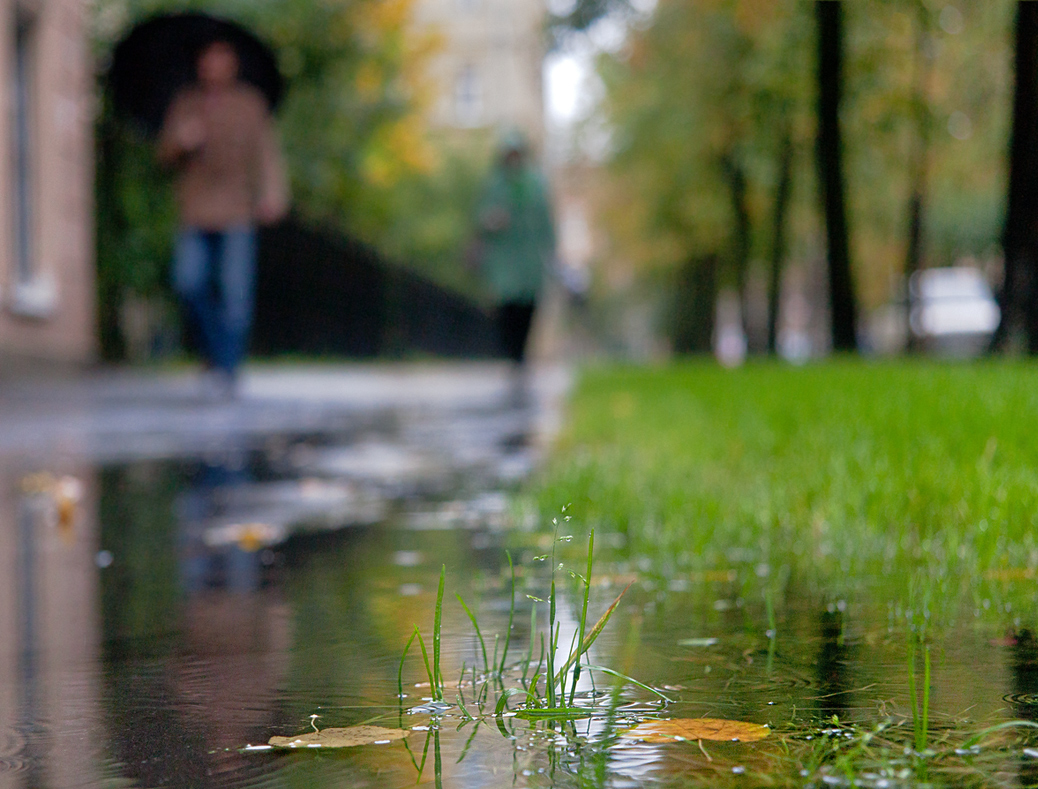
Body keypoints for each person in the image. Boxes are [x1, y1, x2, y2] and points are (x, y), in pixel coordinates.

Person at [158, 39, 288, 398]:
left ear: (233, 63)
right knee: (188, 282)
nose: (214, 64)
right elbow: (163, 155)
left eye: (222, 57)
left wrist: (273, 193)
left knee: (235, 296)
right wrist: (182, 141)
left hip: (236, 209)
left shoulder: (249, 104)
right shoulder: (186, 103)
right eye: (208, 57)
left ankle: (227, 371)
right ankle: (215, 356)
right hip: (195, 209)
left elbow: (267, 155)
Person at [474, 130, 556, 402]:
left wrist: (551, 253)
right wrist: (491, 222)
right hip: (504, 261)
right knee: (506, 310)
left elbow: (547, 224)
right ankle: (512, 359)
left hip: (530, 261)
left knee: (527, 310)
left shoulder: (536, 184)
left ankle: (520, 358)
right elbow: (482, 221)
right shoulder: (495, 185)